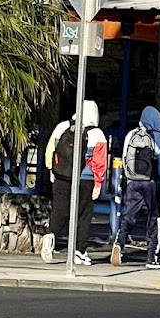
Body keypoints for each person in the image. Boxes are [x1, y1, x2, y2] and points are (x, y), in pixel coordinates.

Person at [40, 100, 107, 265]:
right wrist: (98, 183)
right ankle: (79, 251)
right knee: (83, 214)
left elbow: (51, 149)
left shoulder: (63, 126)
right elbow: (100, 162)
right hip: (85, 179)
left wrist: (51, 169)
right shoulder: (97, 134)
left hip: (62, 176)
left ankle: (50, 236)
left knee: (60, 210)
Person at [110, 105, 160, 269]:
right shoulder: (159, 138)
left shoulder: (131, 135)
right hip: (151, 183)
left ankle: (119, 243)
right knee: (153, 218)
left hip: (132, 182)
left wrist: (125, 181)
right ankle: (151, 258)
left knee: (129, 215)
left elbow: (124, 158)